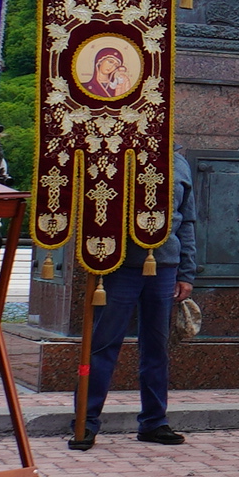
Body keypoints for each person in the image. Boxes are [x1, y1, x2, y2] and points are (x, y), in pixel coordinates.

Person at [75, 149, 199, 448]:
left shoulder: (178, 161)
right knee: (104, 343)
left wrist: (186, 271)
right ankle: (85, 421)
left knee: (156, 346)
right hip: (119, 264)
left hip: (165, 264)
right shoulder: (118, 155)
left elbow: (187, 221)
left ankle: (154, 422)